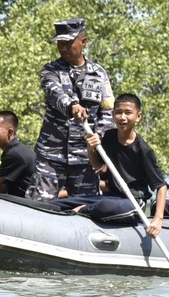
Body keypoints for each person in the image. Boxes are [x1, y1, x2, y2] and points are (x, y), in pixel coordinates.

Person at [50, 94, 167, 237]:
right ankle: (75, 208)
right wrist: (90, 147)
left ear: (138, 116)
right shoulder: (110, 136)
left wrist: (158, 219)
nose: (122, 117)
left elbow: (161, 186)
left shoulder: (143, 151)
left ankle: (83, 210)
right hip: (111, 197)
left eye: (128, 113)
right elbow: (98, 166)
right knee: (62, 202)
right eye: (118, 112)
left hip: (134, 202)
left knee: (104, 207)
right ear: (113, 115)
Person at [26, 17, 115, 201]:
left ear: (83, 42)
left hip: (85, 158)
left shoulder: (99, 74)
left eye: (68, 43)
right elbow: (54, 93)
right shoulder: (50, 70)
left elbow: (107, 113)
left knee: (87, 207)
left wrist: (100, 143)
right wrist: (72, 106)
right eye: (60, 44)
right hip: (51, 154)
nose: (63, 48)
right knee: (39, 204)